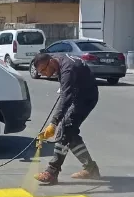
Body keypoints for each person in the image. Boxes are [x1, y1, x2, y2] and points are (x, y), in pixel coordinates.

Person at [31, 53, 101, 184]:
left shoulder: (68, 69)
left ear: (51, 62)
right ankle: (91, 168)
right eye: (41, 72)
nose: (45, 74)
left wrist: (53, 123)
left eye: (44, 70)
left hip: (86, 98)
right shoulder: (57, 61)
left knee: (65, 129)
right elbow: (66, 93)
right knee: (70, 132)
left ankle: (52, 171)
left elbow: (66, 99)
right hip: (78, 95)